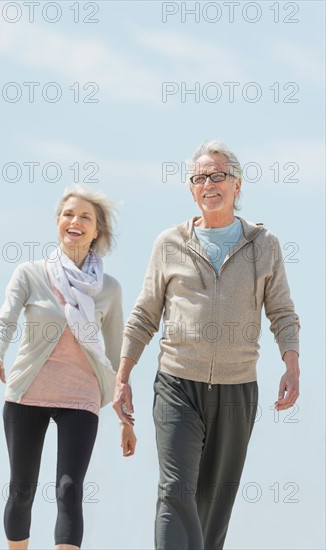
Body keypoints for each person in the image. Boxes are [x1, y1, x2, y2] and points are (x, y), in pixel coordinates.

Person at [113, 140, 300, 550]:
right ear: (191, 189)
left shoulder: (263, 245)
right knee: (175, 490)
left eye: (218, 175)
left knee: (213, 506)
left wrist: (291, 365)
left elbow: (282, 313)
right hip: (177, 384)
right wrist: (122, 376)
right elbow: (144, 315)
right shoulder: (169, 243)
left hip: (237, 391)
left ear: (237, 185)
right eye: (200, 177)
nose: (209, 184)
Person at [0, 185, 136, 550]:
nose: (75, 221)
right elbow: (4, 321)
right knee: (21, 489)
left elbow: (115, 356)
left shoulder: (110, 290)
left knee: (69, 489)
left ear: (97, 231)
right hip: (27, 393)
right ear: (57, 222)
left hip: (81, 396)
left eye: (86, 217)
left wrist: (126, 418)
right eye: (69, 214)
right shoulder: (30, 274)